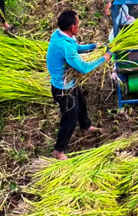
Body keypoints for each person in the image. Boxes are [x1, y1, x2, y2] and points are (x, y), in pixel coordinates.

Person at [46, 10, 112, 160]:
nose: (79, 26)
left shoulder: (59, 34)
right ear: (72, 27)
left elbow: (76, 47)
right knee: (70, 117)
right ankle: (58, 151)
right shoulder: (65, 46)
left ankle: (86, 126)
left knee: (81, 103)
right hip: (63, 89)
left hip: (68, 83)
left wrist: (93, 46)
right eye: (78, 24)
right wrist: (104, 58)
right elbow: (84, 68)